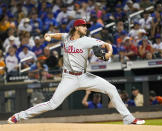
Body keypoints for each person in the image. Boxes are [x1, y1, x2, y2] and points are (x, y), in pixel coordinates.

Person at [8, 19, 145, 125]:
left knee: (111, 88)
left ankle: (128, 119)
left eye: (86, 26)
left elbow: (107, 44)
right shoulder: (66, 37)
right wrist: (49, 35)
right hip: (69, 78)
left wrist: (108, 53)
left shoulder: (88, 40)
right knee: (52, 104)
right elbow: (57, 35)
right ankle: (18, 116)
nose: (86, 28)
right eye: (83, 26)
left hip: (85, 76)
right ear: (76, 27)